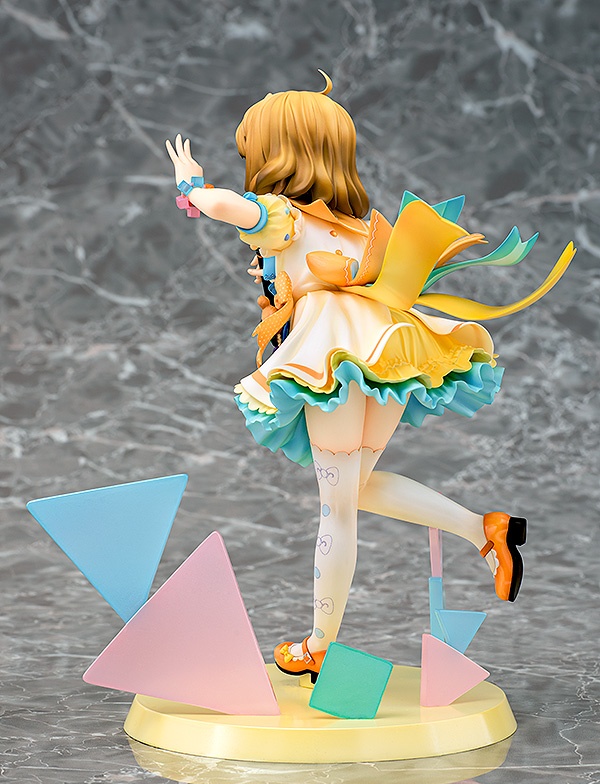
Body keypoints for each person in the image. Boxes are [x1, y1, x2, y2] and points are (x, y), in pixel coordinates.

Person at [166, 73, 574, 682]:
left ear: (280, 153)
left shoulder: (281, 214)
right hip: (390, 352)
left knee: (337, 509)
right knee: (353, 490)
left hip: (333, 359)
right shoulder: (359, 228)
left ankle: (319, 646)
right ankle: (484, 529)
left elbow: (228, 207)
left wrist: (191, 184)